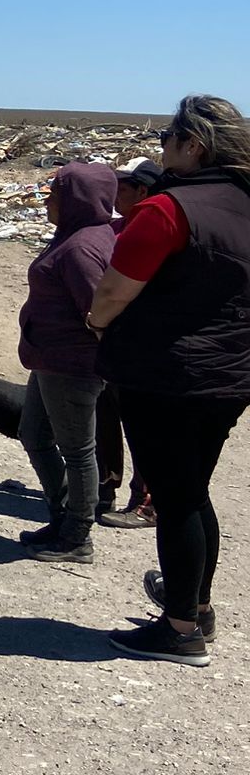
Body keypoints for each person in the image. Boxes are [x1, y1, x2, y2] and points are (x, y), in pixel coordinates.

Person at [90, 96, 250, 666]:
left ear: (195, 145)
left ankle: (181, 628)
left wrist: (96, 323)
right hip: (231, 375)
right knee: (193, 488)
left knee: (176, 496)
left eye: (168, 138)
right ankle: (196, 606)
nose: (162, 148)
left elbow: (114, 289)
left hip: (166, 376)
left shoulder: (168, 210)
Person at [15, 162, 118, 563]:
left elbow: (99, 312)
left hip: (70, 366)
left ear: (77, 199)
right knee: (34, 434)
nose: (48, 200)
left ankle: (77, 535)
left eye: (56, 193)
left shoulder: (80, 248)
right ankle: (62, 517)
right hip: (49, 360)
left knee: (77, 451)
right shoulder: (76, 236)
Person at [97, 157, 165, 527]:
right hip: (111, 341)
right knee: (105, 416)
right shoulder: (114, 227)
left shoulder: (156, 228)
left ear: (142, 190)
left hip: (142, 346)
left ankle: (147, 501)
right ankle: (105, 488)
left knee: (143, 427)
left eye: (123, 187)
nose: (115, 193)